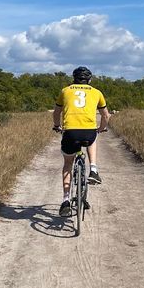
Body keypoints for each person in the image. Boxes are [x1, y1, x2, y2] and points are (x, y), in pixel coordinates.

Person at [52, 66, 110, 217]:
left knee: (67, 165)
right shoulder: (97, 92)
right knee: (92, 138)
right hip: (88, 132)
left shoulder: (65, 91)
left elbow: (57, 112)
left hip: (70, 133)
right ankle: (94, 169)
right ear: (89, 80)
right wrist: (101, 128)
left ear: (74, 79)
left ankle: (65, 200)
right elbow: (106, 115)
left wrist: (57, 126)